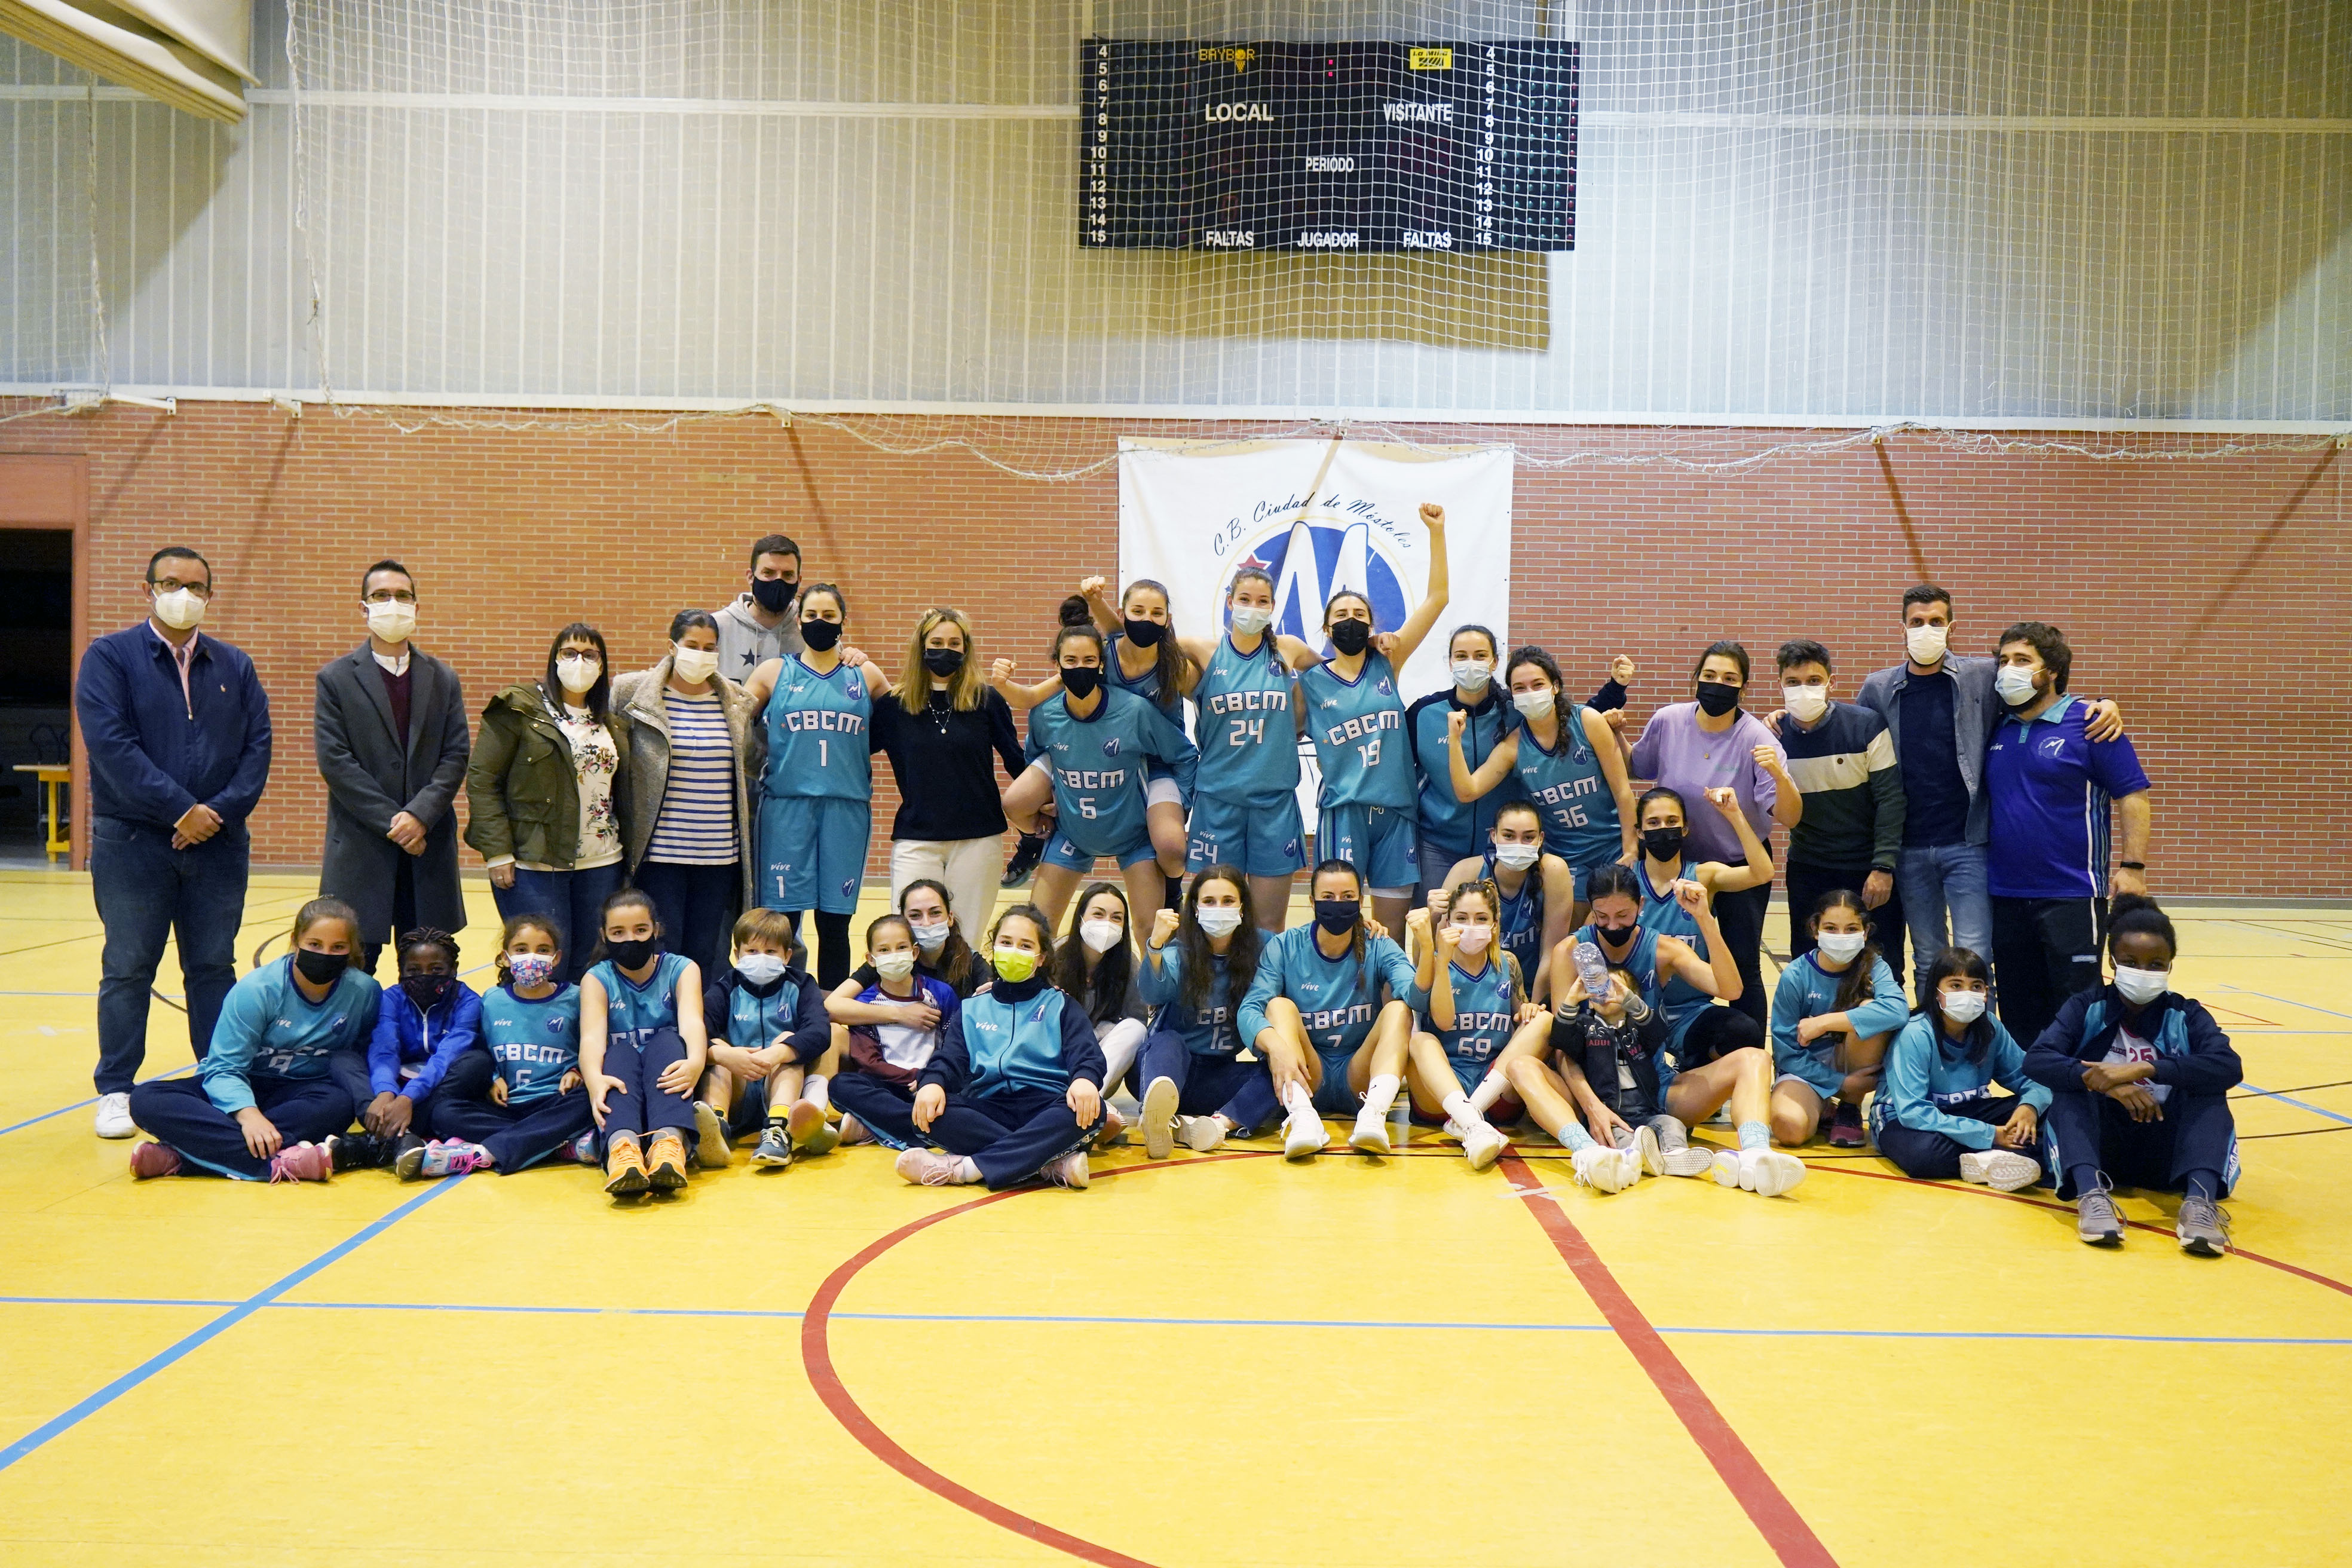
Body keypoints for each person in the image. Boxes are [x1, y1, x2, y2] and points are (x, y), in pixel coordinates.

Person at [78, 546, 272, 1138]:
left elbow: (257, 748)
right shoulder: (110, 657)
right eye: (170, 583)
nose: (183, 595)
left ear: (210, 595)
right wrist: (180, 809)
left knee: (212, 966)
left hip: (218, 844)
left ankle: (220, 1078)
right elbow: (111, 746)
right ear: (148, 590)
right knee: (128, 966)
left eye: (195, 586)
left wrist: (214, 813)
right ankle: (116, 1088)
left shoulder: (235, 665)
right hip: (133, 842)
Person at [1856, 585, 2125, 998]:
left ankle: (1981, 1036)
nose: (1926, 629)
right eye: (1917, 622)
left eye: (1936, 621)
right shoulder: (1878, 687)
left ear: (1951, 627)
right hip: (1909, 847)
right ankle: (1933, 1034)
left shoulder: (1983, 675)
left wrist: (2102, 703)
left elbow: (2039, 694)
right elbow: (1855, 738)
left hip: (1970, 843)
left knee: (1976, 956)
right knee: (1927, 957)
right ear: (1902, 628)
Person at [1508, 866, 1805, 1197]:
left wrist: (1704, 919)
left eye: (1623, 915)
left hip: (1654, 1090)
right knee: (1521, 1066)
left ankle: (1756, 1156)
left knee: (1755, 1058)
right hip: (1590, 1092)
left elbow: (1731, 989)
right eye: (1602, 916)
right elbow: (1565, 1047)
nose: (1612, 926)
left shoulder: (1662, 948)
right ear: (1591, 909)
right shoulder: (1571, 951)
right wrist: (1592, 1107)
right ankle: (1587, 1153)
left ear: (1641, 907)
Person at [2025, 896, 2239, 1255]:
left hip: (2167, 1151)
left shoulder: (2186, 1014)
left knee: (2209, 1087)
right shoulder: (2085, 1006)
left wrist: (2146, 1068)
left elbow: (2229, 1065)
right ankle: (2092, 1197)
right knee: (2071, 1085)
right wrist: (2108, 1085)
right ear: (2112, 961)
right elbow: (2038, 1060)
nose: (2143, 972)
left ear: (2170, 966)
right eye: (2130, 962)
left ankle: (2200, 1204)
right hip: (2101, 1148)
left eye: (2156, 965)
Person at [1984, 621, 2154, 1049]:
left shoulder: (2091, 723)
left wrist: (2133, 867)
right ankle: (2031, 1089)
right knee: (2019, 1013)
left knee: (2077, 1008)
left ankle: (2081, 1089)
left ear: (2053, 671)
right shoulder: (1996, 726)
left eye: (2023, 660)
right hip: (2004, 895)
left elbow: (2133, 796)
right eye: (2004, 661)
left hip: (2072, 894)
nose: (2009, 670)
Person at [125, 898, 377, 1183]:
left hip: (303, 1094)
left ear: (351, 950)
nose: (325, 954)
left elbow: (362, 1055)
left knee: (339, 1104)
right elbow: (224, 1068)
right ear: (295, 942)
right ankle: (277, 1164)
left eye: (338, 947)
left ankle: (184, 1157)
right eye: (315, 944)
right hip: (241, 1083)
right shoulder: (257, 989)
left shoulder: (364, 992)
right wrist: (248, 1115)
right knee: (146, 1099)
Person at [1296, 502, 1453, 938]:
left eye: (1359, 616)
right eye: (1341, 617)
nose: (1351, 622)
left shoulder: (1388, 661)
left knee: (1392, 932)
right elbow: (1278, 737)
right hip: (1342, 811)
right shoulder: (1309, 683)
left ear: (1371, 626)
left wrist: (1436, 532)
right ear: (1326, 629)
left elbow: (1438, 599)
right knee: (1337, 924)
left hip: (1396, 812)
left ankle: (1388, 988)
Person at [1626, 641, 1799, 1025]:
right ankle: (1658, 1030)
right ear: (1696, 680)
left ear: (1744, 688)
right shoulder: (1668, 720)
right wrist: (1615, 732)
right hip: (1675, 862)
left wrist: (1779, 776)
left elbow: (1790, 817)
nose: (1718, 684)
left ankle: (1748, 1046)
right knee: (1661, 953)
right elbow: (1635, 766)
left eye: (1730, 679)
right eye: (1709, 675)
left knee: (1742, 963)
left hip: (1738, 864)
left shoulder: (1759, 739)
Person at [315, 559, 470, 975]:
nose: (393, 603)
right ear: (363, 607)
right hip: (362, 848)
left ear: (416, 607)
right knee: (353, 975)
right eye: (381, 595)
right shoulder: (335, 679)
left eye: (402, 596)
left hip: (428, 848)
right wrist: (396, 823)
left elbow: (455, 755)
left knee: (429, 975)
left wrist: (419, 816)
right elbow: (336, 762)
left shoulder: (443, 678)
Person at [996, 623, 1197, 933]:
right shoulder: (1045, 714)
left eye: (1089, 660)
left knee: (1150, 930)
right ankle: (1034, 842)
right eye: (1071, 660)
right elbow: (1035, 759)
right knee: (1036, 928)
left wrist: (1178, 807)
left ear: (1102, 664)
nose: (1080, 667)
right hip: (1073, 834)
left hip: (1134, 835)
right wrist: (1045, 804)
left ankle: (1172, 893)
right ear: (1057, 665)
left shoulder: (1134, 711)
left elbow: (1183, 755)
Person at [893, 905, 1108, 1190]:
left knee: (1091, 1110)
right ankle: (1046, 1163)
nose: (1014, 951)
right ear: (994, 948)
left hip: (1045, 1107)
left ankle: (965, 1169)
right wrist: (932, 1083)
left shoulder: (1061, 1005)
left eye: (1025, 946)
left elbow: (1087, 1056)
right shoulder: (972, 1008)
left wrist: (1084, 1080)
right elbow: (950, 1059)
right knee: (929, 1113)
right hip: (988, 1107)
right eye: (1006, 942)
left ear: (1041, 958)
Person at [464, 624, 634, 984]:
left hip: (603, 862)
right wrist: (497, 852)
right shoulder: (518, 708)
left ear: (602, 665)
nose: (579, 661)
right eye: (569, 653)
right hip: (535, 862)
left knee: (591, 966)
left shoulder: (613, 724)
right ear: (554, 659)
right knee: (540, 965)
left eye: (590, 655)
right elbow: (483, 780)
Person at [742, 584, 892, 990]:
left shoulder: (865, 673)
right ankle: (779, 1003)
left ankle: (830, 1013)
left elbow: (905, 725)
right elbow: (730, 717)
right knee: (781, 923)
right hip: (786, 808)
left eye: (829, 616)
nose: (819, 623)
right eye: (811, 615)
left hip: (846, 808)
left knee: (835, 924)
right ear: (799, 620)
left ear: (843, 621)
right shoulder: (774, 672)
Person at [1234, 859, 1425, 1159]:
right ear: (1312, 902)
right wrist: (1277, 1048)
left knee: (1399, 1010)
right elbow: (1250, 1010)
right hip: (1309, 1073)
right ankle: (1302, 1118)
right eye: (1328, 897)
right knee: (1278, 1006)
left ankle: (1373, 1116)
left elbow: (1417, 999)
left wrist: (1427, 947)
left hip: (1359, 1075)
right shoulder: (1285, 946)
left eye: (1347, 897)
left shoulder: (1379, 944)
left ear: (1361, 902)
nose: (1338, 904)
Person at [1446, 645, 1637, 933]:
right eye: (1520, 688)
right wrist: (1454, 740)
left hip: (1611, 845)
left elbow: (1623, 791)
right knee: (1577, 938)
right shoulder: (1514, 746)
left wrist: (1631, 848)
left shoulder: (1587, 721)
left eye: (1537, 684)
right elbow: (1467, 790)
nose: (1530, 693)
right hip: (1566, 856)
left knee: (1617, 926)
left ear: (1555, 686)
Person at [1166, 568, 1315, 928]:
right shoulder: (1205, 651)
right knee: (1213, 921)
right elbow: (1148, 647)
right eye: (1245, 599)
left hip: (1274, 804)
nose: (1253, 607)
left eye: (1262, 601)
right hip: (1219, 802)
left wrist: (1299, 718)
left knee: (1269, 924)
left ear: (1273, 607)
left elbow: (1338, 673)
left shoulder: (1289, 649)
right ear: (1230, 602)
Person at [870, 607, 1027, 948]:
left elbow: (1017, 761)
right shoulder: (893, 706)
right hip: (916, 839)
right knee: (911, 941)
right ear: (921, 647)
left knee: (965, 944)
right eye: (937, 642)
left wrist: (1045, 804)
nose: (946, 650)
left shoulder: (986, 700)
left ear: (966, 648)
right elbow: (852, 756)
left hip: (978, 839)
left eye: (955, 643)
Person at [613, 610, 758, 980]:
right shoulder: (632, 693)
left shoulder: (737, 701)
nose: (701, 654)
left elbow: (749, 767)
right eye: (692, 645)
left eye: (710, 648)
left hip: (719, 856)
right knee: (663, 950)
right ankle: (663, 1014)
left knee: (705, 954)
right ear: (672, 646)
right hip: (662, 853)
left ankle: (699, 1016)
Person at [404, 914, 597, 1180]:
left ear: (557, 958)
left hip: (555, 1101)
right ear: (506, 957)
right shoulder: (492, 1001)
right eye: (521, 949)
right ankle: (556, 1143)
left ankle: (482, 1153)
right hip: (508, 1106)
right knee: (444, 1113)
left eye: (543, 950)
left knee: (588, 1100)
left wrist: (577, 1071)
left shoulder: (575, 998)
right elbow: (483, 1049)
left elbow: (594, 1044)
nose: (532, 957)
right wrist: (493, 1078)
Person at [1768, 639, 1906, 982]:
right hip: (1809, 866)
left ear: (1831, 682)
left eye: (1814, 681)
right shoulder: (1773, 737)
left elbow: (1891, 799)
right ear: (1780, 684)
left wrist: (1883, 866)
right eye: (1793, 682)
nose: (1804, 689)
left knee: (1882, 966)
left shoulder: (1867, 725)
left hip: (1867, 867)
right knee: (1809, 965)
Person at [1870, 946, 2051, 1192]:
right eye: (1956, 985)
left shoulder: (1990, 1028)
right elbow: (1913, 1112)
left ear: (1986, 993)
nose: (1967, 994)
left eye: (1976, 986)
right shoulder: (1915, 1034)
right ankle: (2006, 1156)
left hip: (1966, 1113)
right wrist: (1990, 1134)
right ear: (1936, 992)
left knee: (2054, 1112)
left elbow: (2033, 1078)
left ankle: (1989, 1160)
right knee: (1924, 1155)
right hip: (1904, 1119)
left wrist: (2029, 1108)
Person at [577, 889, 712, 1198]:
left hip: (666, 1077)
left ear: (656, 929)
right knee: (618, 1054)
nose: (631, 940)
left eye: (640, 930)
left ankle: (669, 1146)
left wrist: (696, 1062)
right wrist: (594, 1080)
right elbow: (591, 1038)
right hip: (624, 1082)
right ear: (604, 935)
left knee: (668, 1041)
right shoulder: (596, 979)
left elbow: (692, 1022)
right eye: (618, 932)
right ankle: (623, 1152)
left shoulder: (682, 969)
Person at [1624, 785, 1774, 1059]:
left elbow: (1763, 873)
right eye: (1654, 823)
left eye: (1672, 821)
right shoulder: (1625, 880)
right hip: (1635, 1009)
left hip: (1690, 1012)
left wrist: (1734, 814)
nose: (1663, 829)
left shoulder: (1703, 876)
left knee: (1743, 1031)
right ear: (1640, 832)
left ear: (1685, 829)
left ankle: (1693, 1066)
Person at [1403, 880, 1538, 1171]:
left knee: (1543, 1021)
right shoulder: (1437, 962)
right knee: (1421, 1041)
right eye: (1462, 918)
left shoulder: (1508, 963)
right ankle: (1470, 1121)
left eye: (1481, 919)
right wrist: (1442, 962)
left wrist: (1528, 1010)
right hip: (1443, 1089)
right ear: (1448, 922)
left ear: (1495, 924)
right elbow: (1443, 1022)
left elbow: (1522, 1017)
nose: (1471, 927)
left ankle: (1466, 1119)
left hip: (1495, 1087)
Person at [685, 907, 832, 1169]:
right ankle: (716, 1127)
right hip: (738, 1087)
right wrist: (724, 1054)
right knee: (717, 1047)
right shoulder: (726, 987)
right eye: (752, 951)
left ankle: (778, 1130)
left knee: (789, 1041)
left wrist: (778, 1052)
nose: (761, 958)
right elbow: (694, 1032)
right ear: (737, 955)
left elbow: (820, 1031)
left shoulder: (801, 985)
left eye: (771, 951)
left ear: (787, 956)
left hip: (778, 1087)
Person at [1134, 868, 1266, 1158]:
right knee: (1167, 1039)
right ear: (1195, 908)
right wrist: (1155, 945)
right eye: (1209, 901)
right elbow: (1151, 994)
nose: (1219, 908)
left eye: (1228, 901)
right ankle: (1156, 1116)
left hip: (1218, 1075)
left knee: (1280, 1072)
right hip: (1164, 1068)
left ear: (1242, 906)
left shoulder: (1262, 947)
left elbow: (1303, 946)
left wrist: (1362, 930)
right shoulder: (1178, 952)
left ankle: (1213, 1125)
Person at [1767, 890, 1907, 1149]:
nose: (1841, 937)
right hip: (1806, 1068)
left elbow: (1898, 1010)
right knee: (1789, 1128)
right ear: (1815, 929)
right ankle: (1823, 1103)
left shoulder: (1875, 966)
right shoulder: (1796, 975)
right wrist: (1840, 1083)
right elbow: (1786, 1052)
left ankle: (1849, 1107)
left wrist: (1824, 1022)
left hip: (1853, 1061)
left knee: (1872, 1009)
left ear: (1865, 932)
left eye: (1851, 929)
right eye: (1831, 928)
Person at [332, 925, 482, 1160]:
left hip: (436, 1086)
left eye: (436, 969)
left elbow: (446, 1057)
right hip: (397, 1083)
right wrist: (385, 1092)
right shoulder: (391, 998)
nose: (425, 976)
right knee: (343, 1060)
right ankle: (400, 1134)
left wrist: (408, 1098)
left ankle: (378, 1141)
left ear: (453, 969)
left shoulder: (468, 1002)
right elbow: (385, 1050)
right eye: (414, 970)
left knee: (476, 1063)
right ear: (401, 971)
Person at [826, 914, 961, 1154]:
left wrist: (931, 1078)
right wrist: (912, 1078)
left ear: (915, 953)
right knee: (841, 1086)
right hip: (888, 1088)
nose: (894, 955)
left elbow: (953, 1046)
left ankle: (877, 1126)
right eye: (884, 950)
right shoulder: (865, 1003)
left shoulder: (941, 993)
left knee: (964, 1096)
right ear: (871, 959)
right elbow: (869, 1062)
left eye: (901, 948)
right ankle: (923, 1129)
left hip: (932, 1085)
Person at [1407, 624, 1521, 895]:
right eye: (1461, 656)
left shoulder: (1517, 712)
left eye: (1480, 656)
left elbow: (1565, 719)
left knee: (1493, 920)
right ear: (1450, 662)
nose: (1471, 663)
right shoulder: (1423, 713)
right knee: (1435, 917)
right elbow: (1394, 767)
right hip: (1437, 846)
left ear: (1495, 662)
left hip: (1501, 848)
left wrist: (1612, 696)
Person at [1441, 801, 1573, 1002]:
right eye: (1509, 836)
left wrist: (1532, 1009)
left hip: (1531, 988)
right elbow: (1440, 947)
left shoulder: (1554, 871)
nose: (1518, 845)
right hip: (1472, 990)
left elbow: (1551, 954)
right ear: (1494, 836)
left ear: (1541, 839)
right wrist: (1433, 916)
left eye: (1528, 837)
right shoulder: (1465, 872)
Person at [1051, 881, 1150, 1105]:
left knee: (1135, 1028)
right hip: (1056, 1058)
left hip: (1100, 1064)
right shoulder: (1055, 956)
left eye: (1116, 918)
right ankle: (1076, 1099)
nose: (1107, 923)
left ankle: (1090, 1098)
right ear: (1080, 919)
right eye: (1098, 914)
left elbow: (1137, 1021)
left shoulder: (1128, 963)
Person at [712, 532, 806, 678]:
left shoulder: (810, 629)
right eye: (768, 573)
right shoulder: (717, 627)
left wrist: (846, 657)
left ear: (799, 581)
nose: (778, 581)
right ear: (751, 577)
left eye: (788, 575)